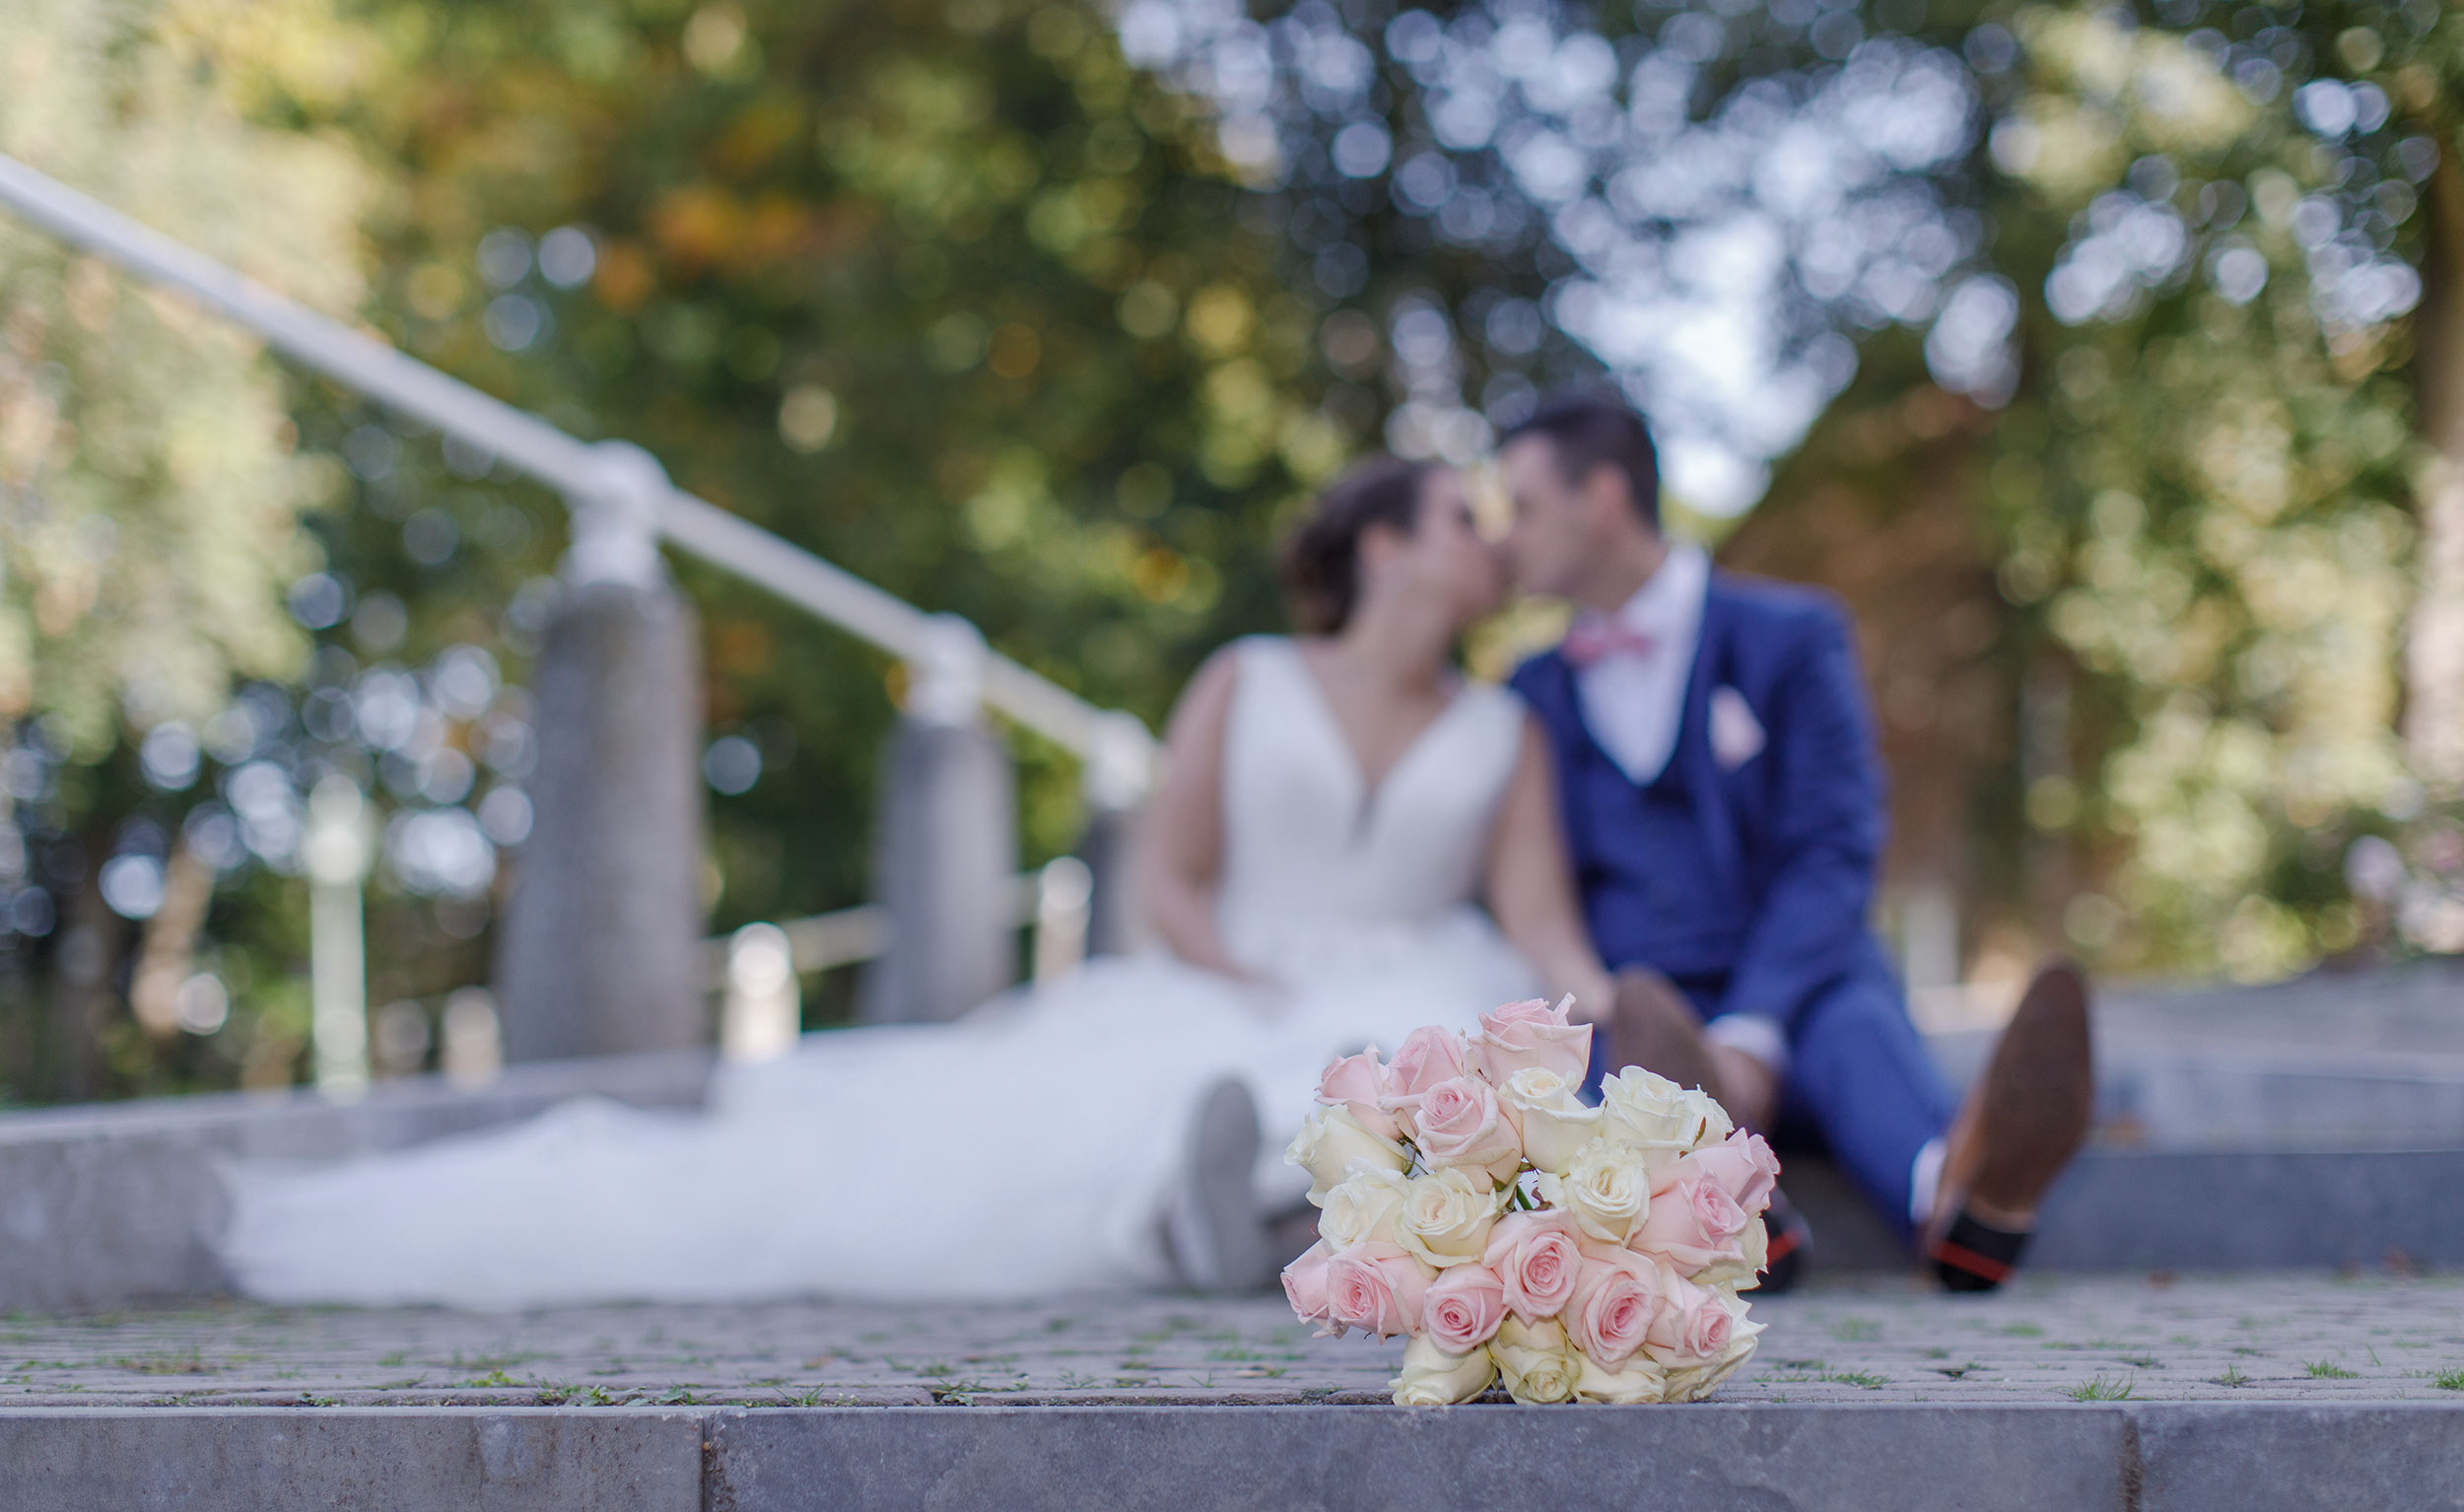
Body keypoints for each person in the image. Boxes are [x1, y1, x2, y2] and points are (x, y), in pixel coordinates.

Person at [219, 457, 1626, 1308]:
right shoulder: (1244, 680)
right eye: (1462, 514)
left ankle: (1235, 1211)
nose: (1491, 541)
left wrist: (1610, 1004)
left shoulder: (1508, 728)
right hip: (1235, 962)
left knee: (1420, 1064)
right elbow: (1170, 882)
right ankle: (1200, 1199)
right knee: (1138, 1088)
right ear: (1382, 544)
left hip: (1414, 965)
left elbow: (1536, 911)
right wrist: (1230, 966)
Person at [1497, 391, 2094, 1292]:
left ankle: (1959, 1198)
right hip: (1643, 1005)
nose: (1508, 536)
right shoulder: (1530, 687)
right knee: (1630, 1069)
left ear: (1604, 498)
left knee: (1850, 1030)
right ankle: (1732, 1193)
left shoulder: (1793, 637)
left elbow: (1835, 847)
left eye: (1527, 506)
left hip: (1802, 982)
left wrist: (1753, 1028)